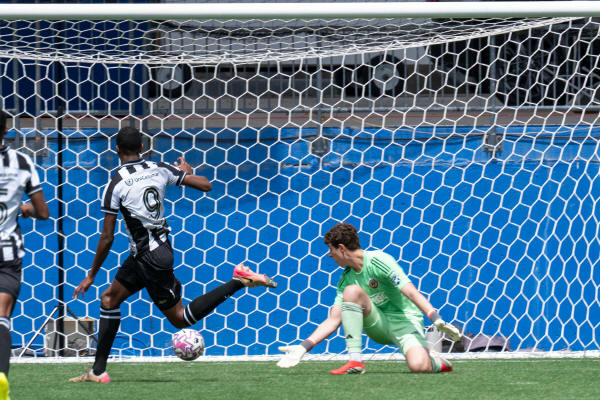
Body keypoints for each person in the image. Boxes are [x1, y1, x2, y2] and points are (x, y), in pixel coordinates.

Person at [69, 126, 276, 384]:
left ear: (117, 150)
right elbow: (206, 185)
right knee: (109, 299)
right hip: (147, 253)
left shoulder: (115, 184)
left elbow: (107, 237)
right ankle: (98, 372)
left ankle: (239, 281)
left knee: (180, 318)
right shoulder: (159, 168)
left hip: (150, 259)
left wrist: (91, 275)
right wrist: (187, 173)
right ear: (142, 147)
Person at [277, 222, 461, 375]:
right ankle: (355, 361)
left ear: (341, 248)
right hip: (378, 325)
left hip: (405, 323)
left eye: (331, 249)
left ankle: (435, 360)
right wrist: (303, 347)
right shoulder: (346, 279)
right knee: (351, 291)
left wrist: (436, 319)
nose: (329, 255)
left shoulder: (379, 260)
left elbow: (411, 292)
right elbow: (334, 319)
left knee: (419, 367)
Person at [0, 111, 50, 399]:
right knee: (2, 317)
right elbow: (42, 212)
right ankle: (1, 377)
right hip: (7, 252)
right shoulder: (22, 162)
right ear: (6, 129)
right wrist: (25, 210)